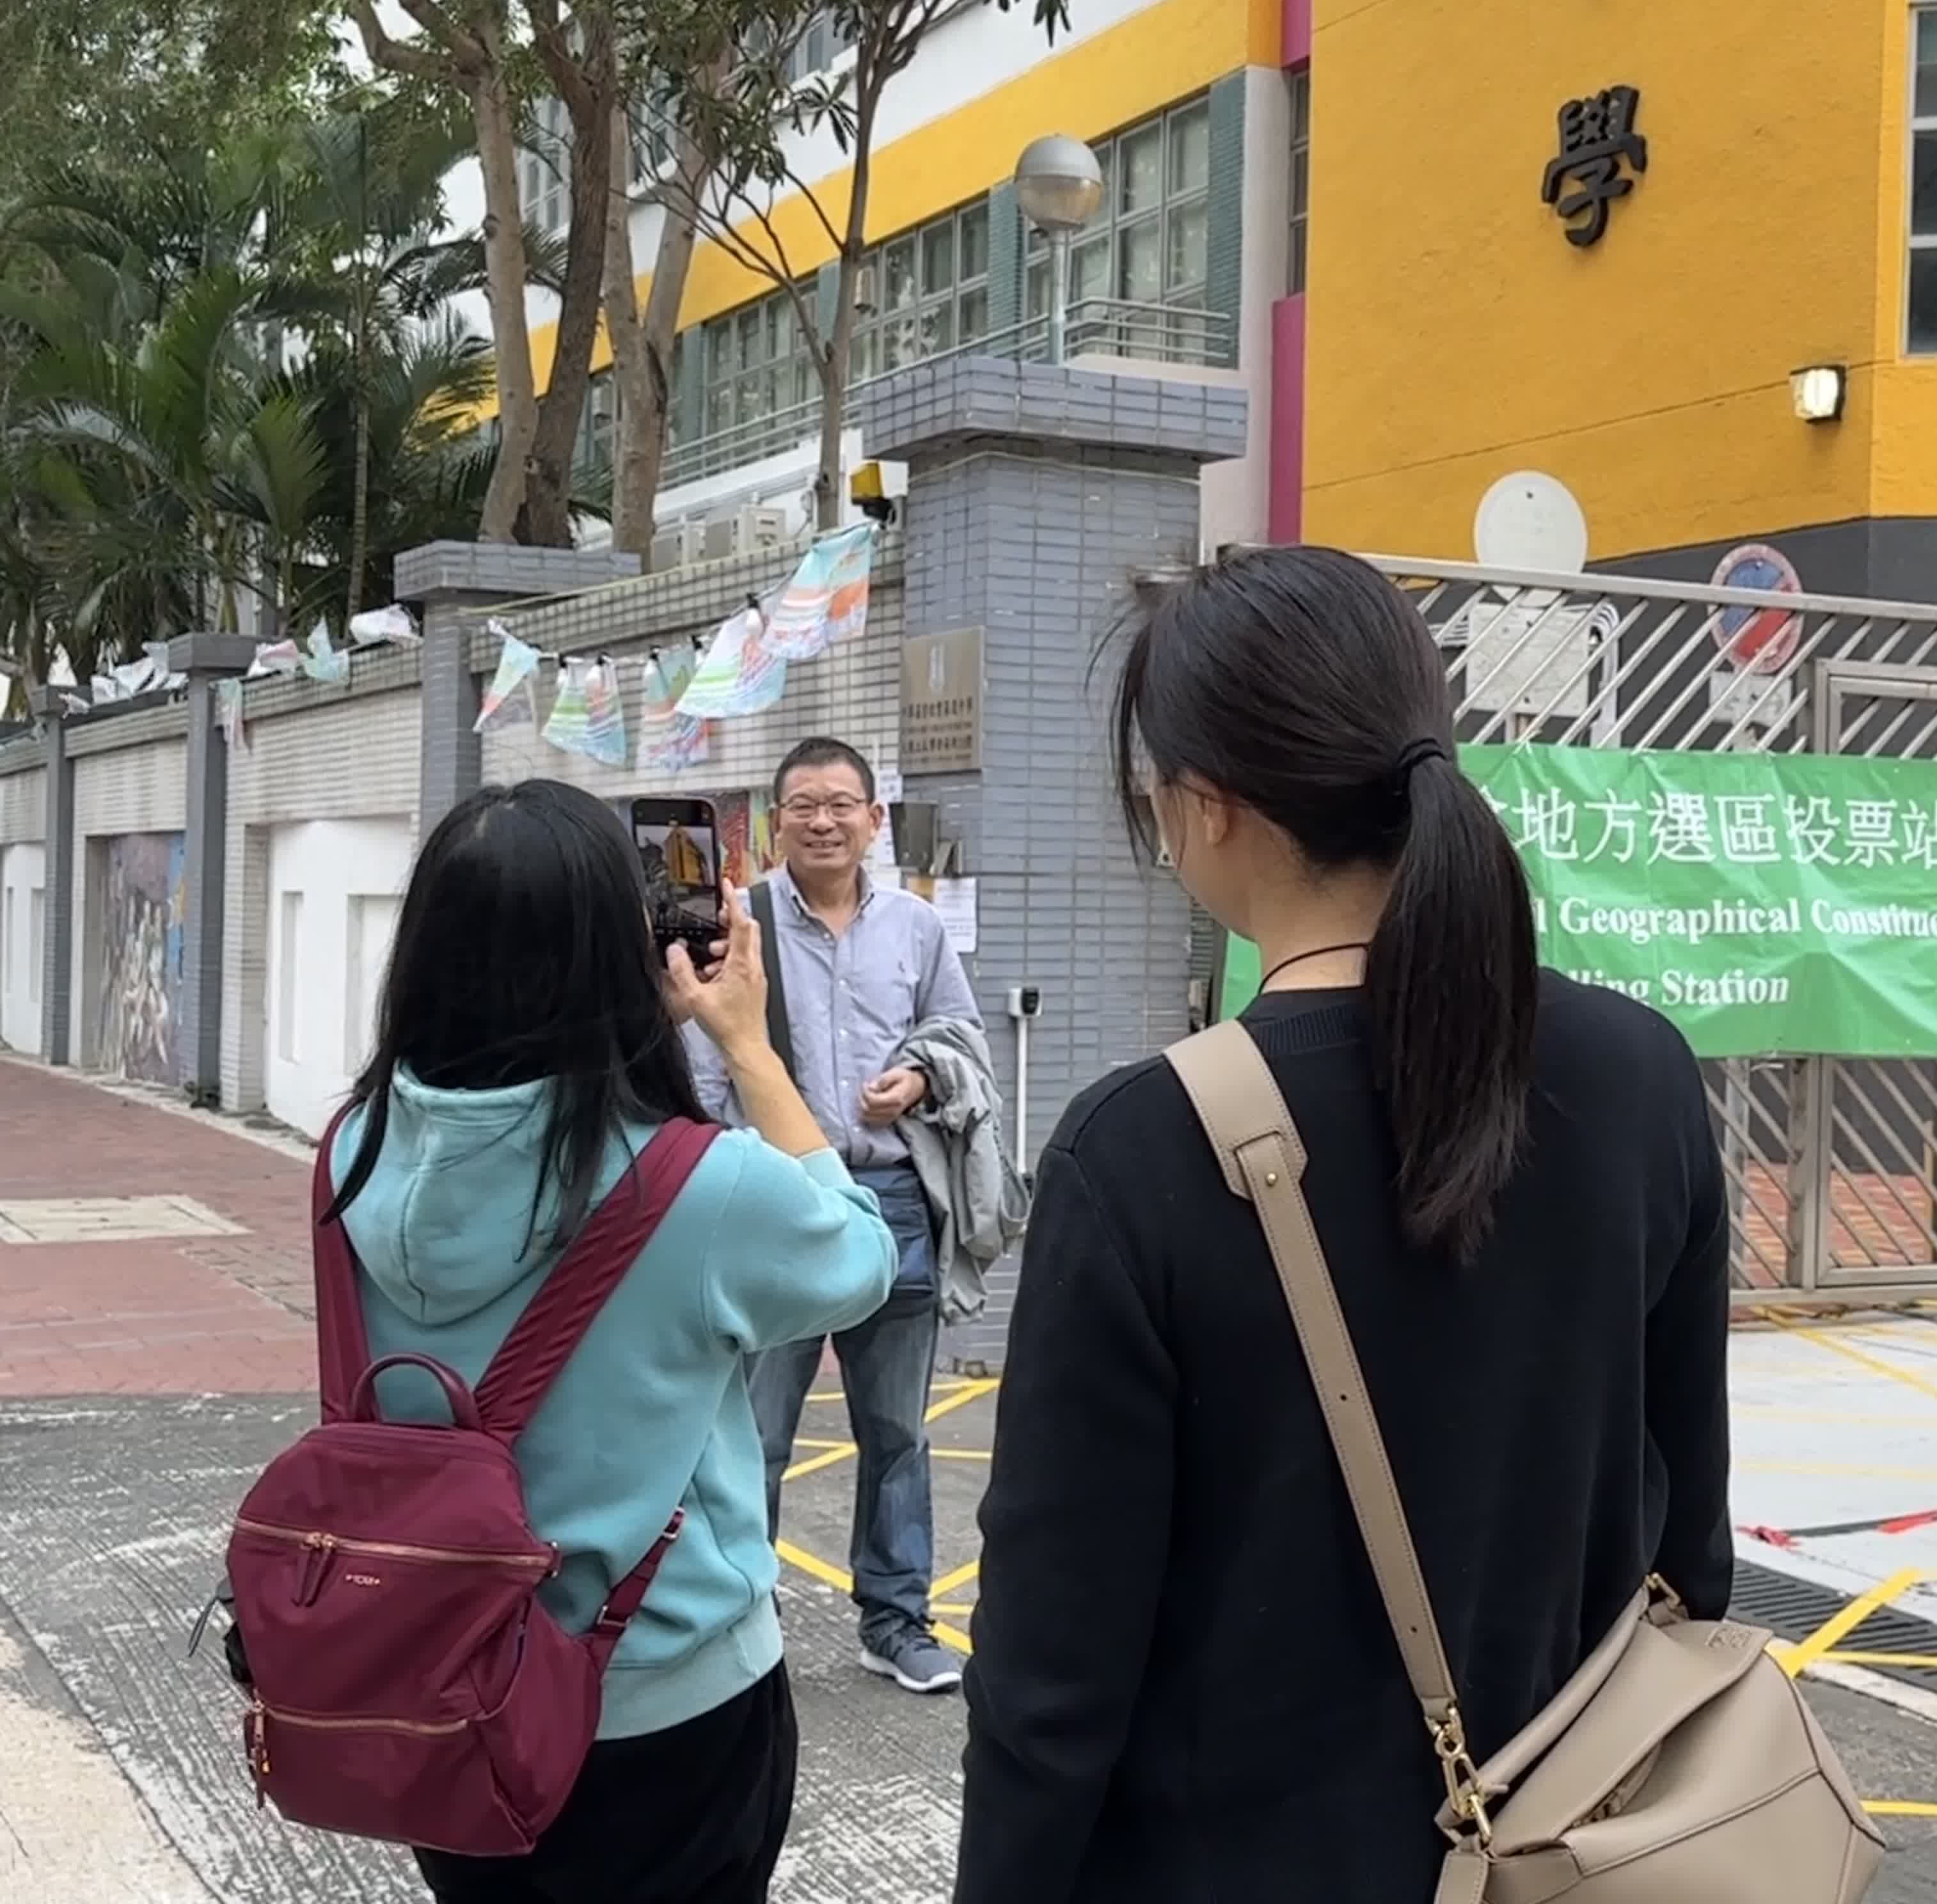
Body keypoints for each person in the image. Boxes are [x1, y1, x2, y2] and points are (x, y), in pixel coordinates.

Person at [955, 547, 1733, 1904]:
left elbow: (1052, 1679)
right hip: (1573, 1854)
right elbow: (1693, 1552)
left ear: (1207, 807)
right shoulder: (1642, 1074)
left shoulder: (1136, 1150)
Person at [323, 778, 898, 1903]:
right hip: (665, 1700)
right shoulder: (698, 1188)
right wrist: (748, 1047)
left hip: (442, 1678)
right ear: (617, 959)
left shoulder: (350, 1151)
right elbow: (859, 1258)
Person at [688, 737, 983, 1696]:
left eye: (842, 804)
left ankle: (895, 1622)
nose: (824, 821)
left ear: (874, 819)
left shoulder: (916, 927)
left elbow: (961, 1031)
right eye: (805, 806)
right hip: (774, 1204)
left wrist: (921, 1076)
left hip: (893, 1200)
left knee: (897, 1430)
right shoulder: (739, 927)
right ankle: (743, 1613)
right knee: (758, 1433)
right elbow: (703, 1069)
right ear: (776, 823)